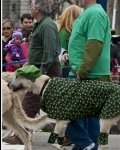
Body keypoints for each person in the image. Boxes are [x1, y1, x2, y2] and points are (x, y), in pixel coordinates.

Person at [2, 0, 62, 144]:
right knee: (49, 103)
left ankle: (21, 135)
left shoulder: (47, 25)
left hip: (45, 70)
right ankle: (66, 135)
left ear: (38, 9)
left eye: (33, 6)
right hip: (38, 68)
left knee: (35, 100)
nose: (30, 8)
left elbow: (49, 51)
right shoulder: (41, 24)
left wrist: (40, 72)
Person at [65, 0, 111, 149]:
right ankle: (85, 145)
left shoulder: (95, 13)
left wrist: (82, 70)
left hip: (89, 74)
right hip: (86, 74)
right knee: (86, 119)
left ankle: (85, 144)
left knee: (67, 112)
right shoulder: (89, 13)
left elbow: (94, 44)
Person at [58, 5, 82, 78]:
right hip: (66, 66)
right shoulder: (65, 32)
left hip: (67, 66)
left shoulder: (64, 31)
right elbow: (62, 50)